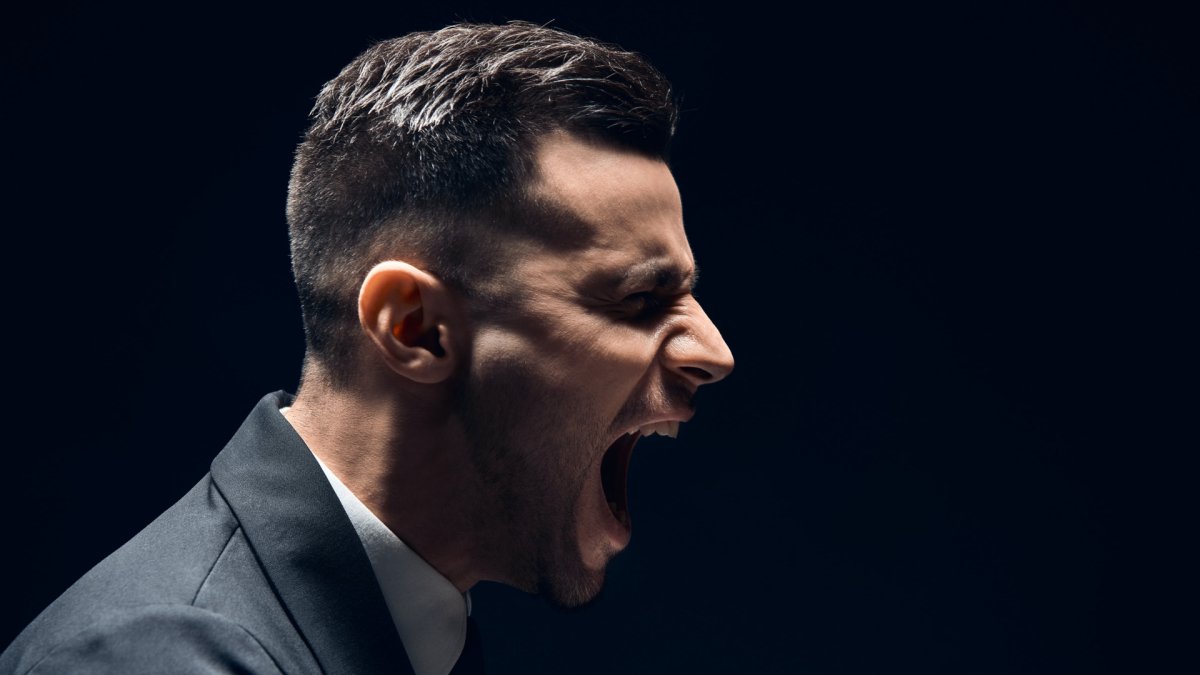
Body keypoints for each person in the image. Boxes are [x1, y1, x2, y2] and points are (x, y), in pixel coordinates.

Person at [1, 21, 734, 675]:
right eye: (642, 298)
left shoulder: (403, 630)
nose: (715, 351)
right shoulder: (160, 657)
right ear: (414, 327)